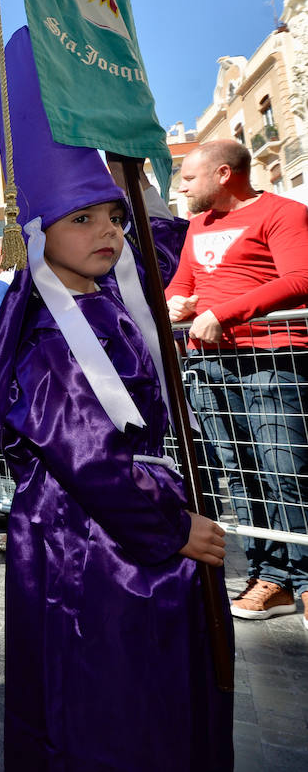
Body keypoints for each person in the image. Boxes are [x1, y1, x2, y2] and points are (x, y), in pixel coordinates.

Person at [0, 26, 231, 770]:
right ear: (39, 231)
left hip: (141, 531)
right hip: (92, 546)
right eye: (83, 218)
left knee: (162, 700)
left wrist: (121, 128)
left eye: (113, 218)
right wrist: (173, 527)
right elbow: (91, 461)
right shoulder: (49, 335)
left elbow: (160, 240)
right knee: (106, 704)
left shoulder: (114, 297)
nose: (107, 232)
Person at [167, 137, 308, 627]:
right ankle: (270, 577)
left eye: (188, 178)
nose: (181, 187)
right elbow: (181, 285)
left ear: (223, 174)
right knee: (243, 478)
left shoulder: (283, 212)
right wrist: (178, 304)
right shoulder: (196, 227)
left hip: (272, 357)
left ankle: (307, 581)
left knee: (285, 471)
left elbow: (299, 278)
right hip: (211, 366)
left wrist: (222, 313)